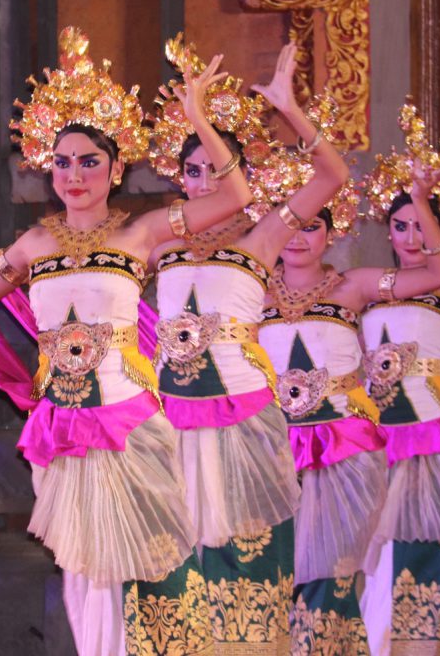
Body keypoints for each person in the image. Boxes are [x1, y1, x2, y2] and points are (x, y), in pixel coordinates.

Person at [0, 28, 256, 656]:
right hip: (61, 426)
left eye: (90, 161)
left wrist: (198, 116)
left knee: (158, 564)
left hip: (130, 421)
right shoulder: (32, 245)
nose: (75, 174)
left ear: (116, 170)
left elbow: (236, 196)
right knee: (84, 575)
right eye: (63, 162)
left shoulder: (144, 232)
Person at [145, 39, 348, 652]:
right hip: (172, 416)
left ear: (240, 176)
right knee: (176, 565)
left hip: (241, 412)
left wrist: (290, 108)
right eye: (192, 169)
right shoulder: (158, 244)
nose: (203, 180)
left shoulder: (264, 236)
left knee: (246, 556)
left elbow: (333, 177)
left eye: (215, 166)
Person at [257, 157, 440, 652]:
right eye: (291, 223)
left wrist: (421, 202)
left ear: (332, 232)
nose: (299, 237)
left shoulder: (355, 285)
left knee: (333, 578)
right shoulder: (251, 291)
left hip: (342, 451)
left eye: (313, 226)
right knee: (273, 578)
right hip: (271, 450)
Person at [356, 104, 440, 656]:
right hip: (377, 437)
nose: (409, 236)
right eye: (400, 225)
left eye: (420, 226)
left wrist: (423, 198)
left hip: (429, 435)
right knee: (374, 562)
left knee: (422, 558)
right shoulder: (370, 288)